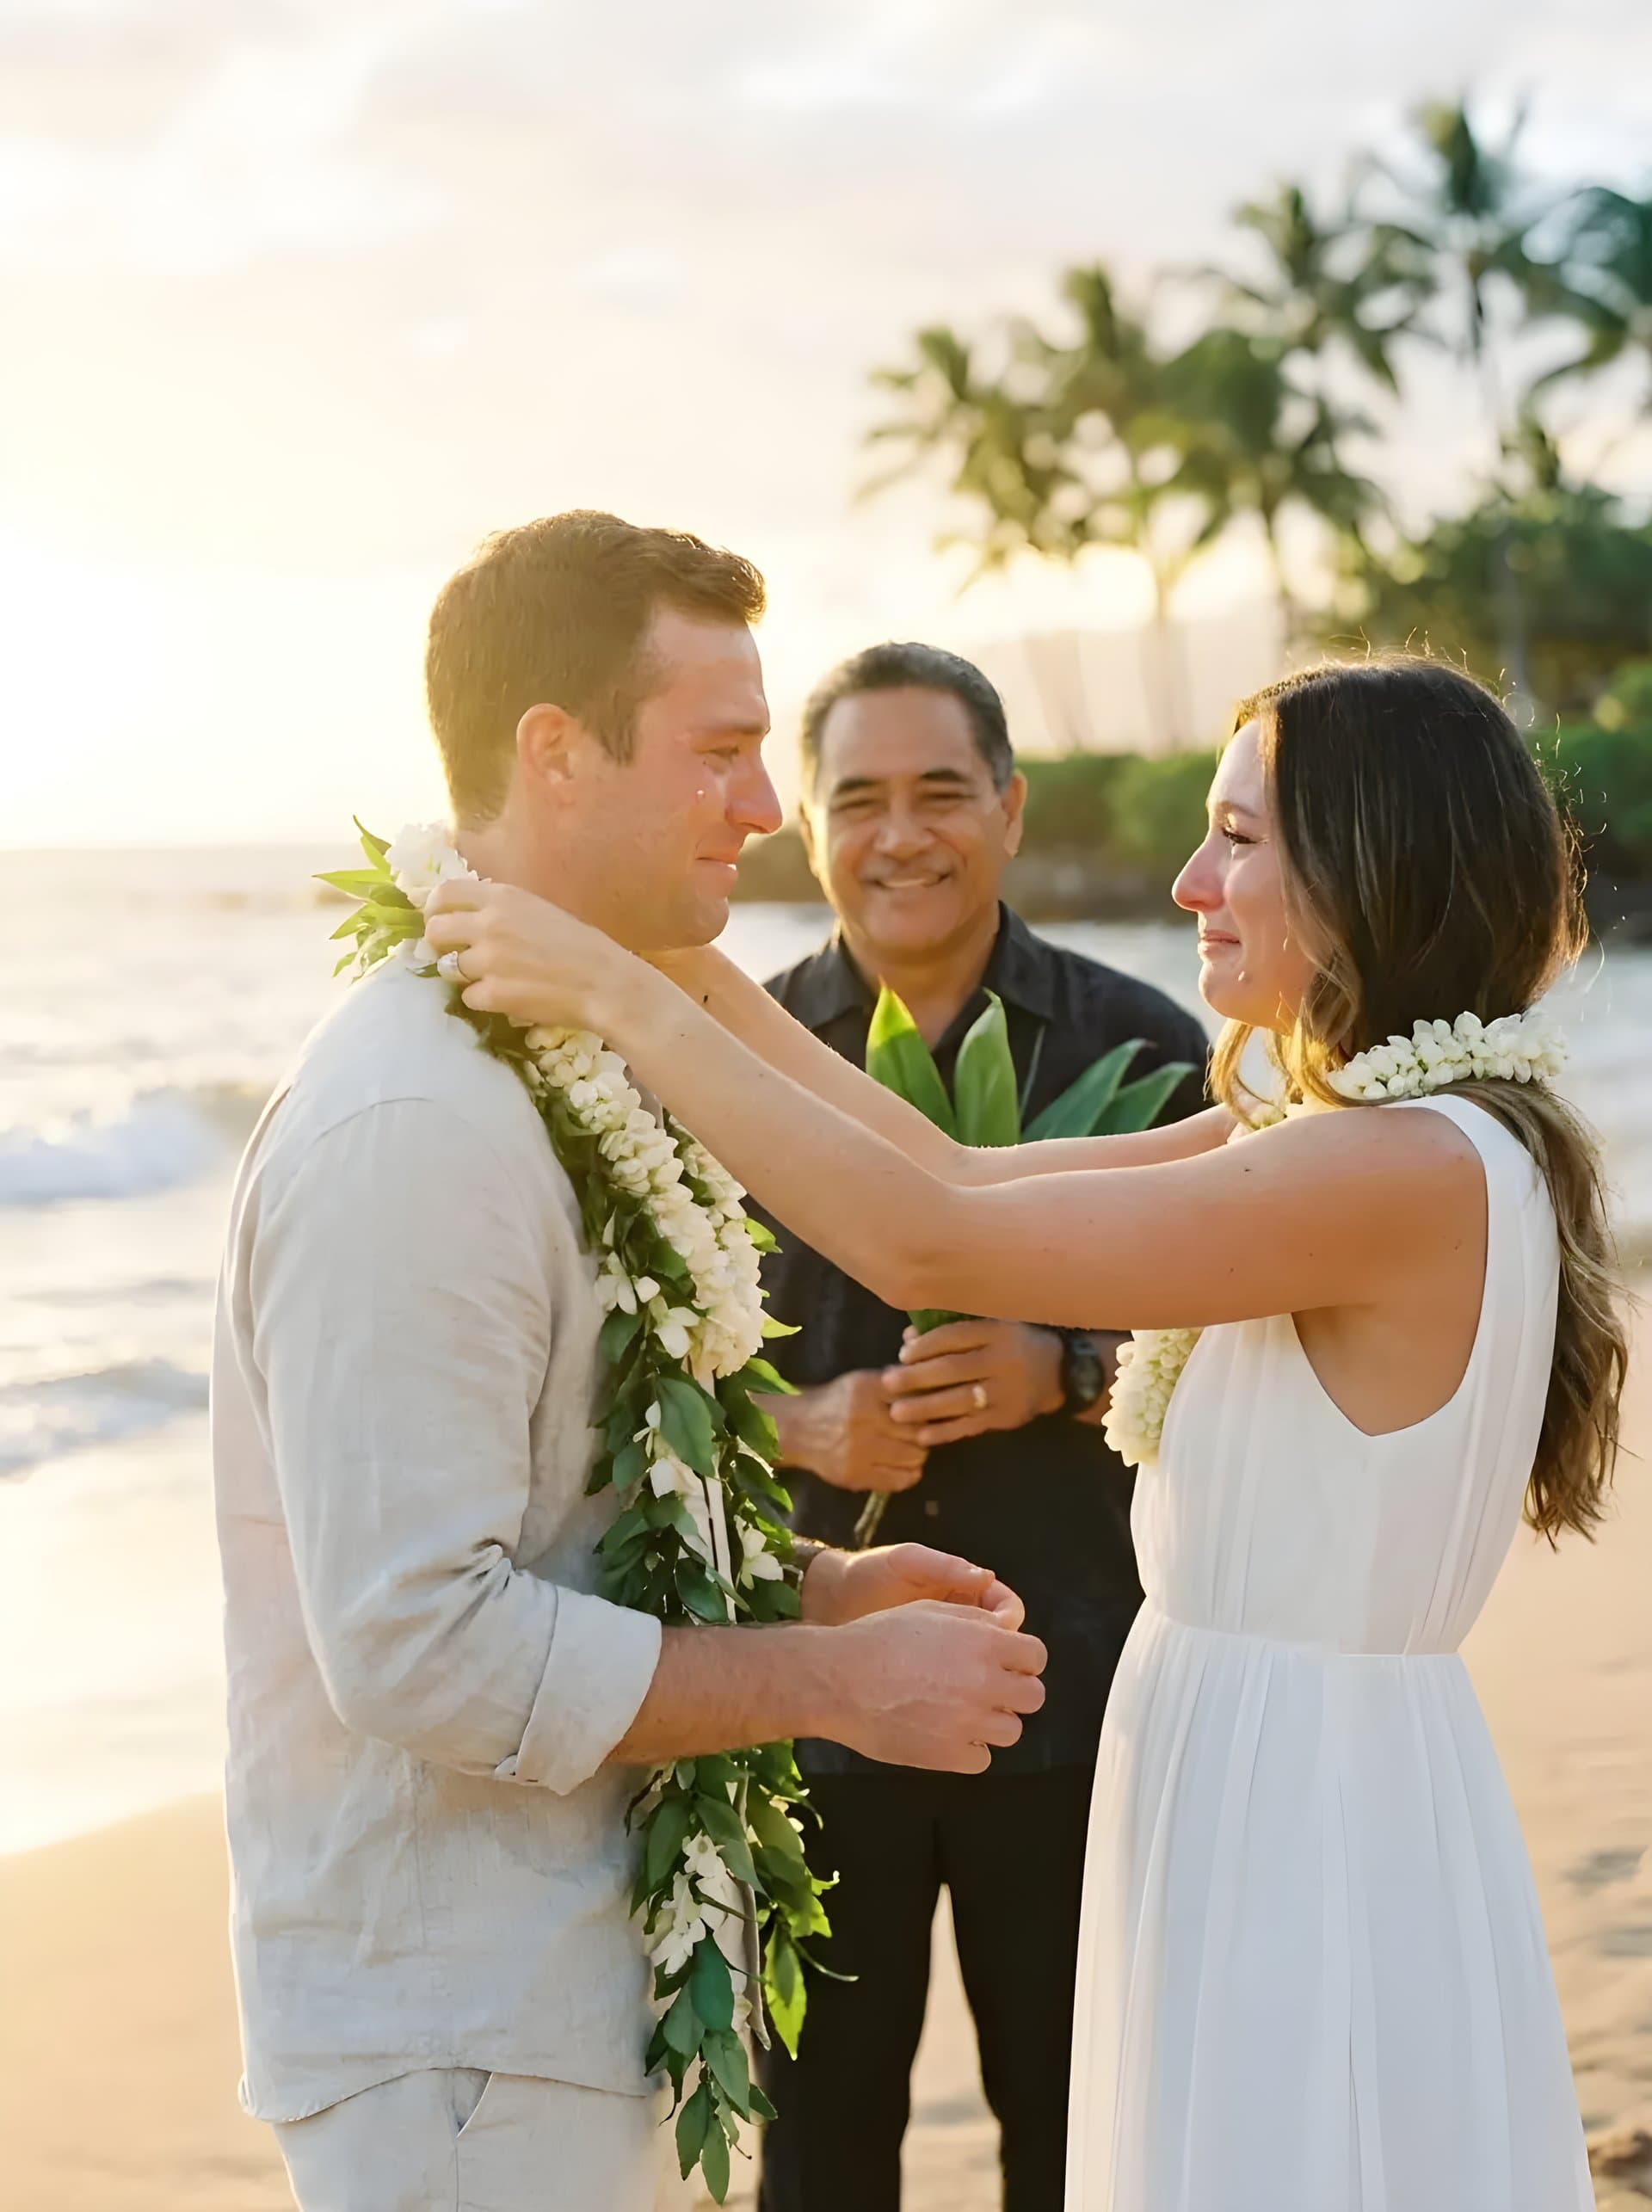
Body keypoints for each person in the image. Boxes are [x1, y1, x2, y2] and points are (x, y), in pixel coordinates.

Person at [428, 656, 1628, 2212]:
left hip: (1308, 1803)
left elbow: (927, 1246)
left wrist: (608, 998)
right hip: (1247, 1756)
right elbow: (959, 1172)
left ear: (1372, 859)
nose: (1193, 880)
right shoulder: (1338, 1130)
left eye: (1240, 839)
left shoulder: (1393, 1168)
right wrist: (678, 957)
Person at [210, 511, 1048, 2212]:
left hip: (564, 1990)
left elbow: (566, 1514)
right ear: (556, 753)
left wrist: (805, 1584)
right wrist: (832, 1689)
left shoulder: (553, 1058)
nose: (766, 807)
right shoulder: (414, 1122)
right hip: (457, 2023)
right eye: (725, 751)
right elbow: (417, 1640)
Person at [745, 642, 1207, 2212]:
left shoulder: (1143, 1053)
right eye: (856, 798)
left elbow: (1264, 1330)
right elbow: (622, 1372)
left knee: (1081, 2136)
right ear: (804, 826)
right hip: (812, 1699)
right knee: (818, 2150)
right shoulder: (736, 1061)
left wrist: (1069, 1365)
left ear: (1008, 809)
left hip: (1076, 1689)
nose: (901, 835)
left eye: (941, 791)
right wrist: (799, 1424)